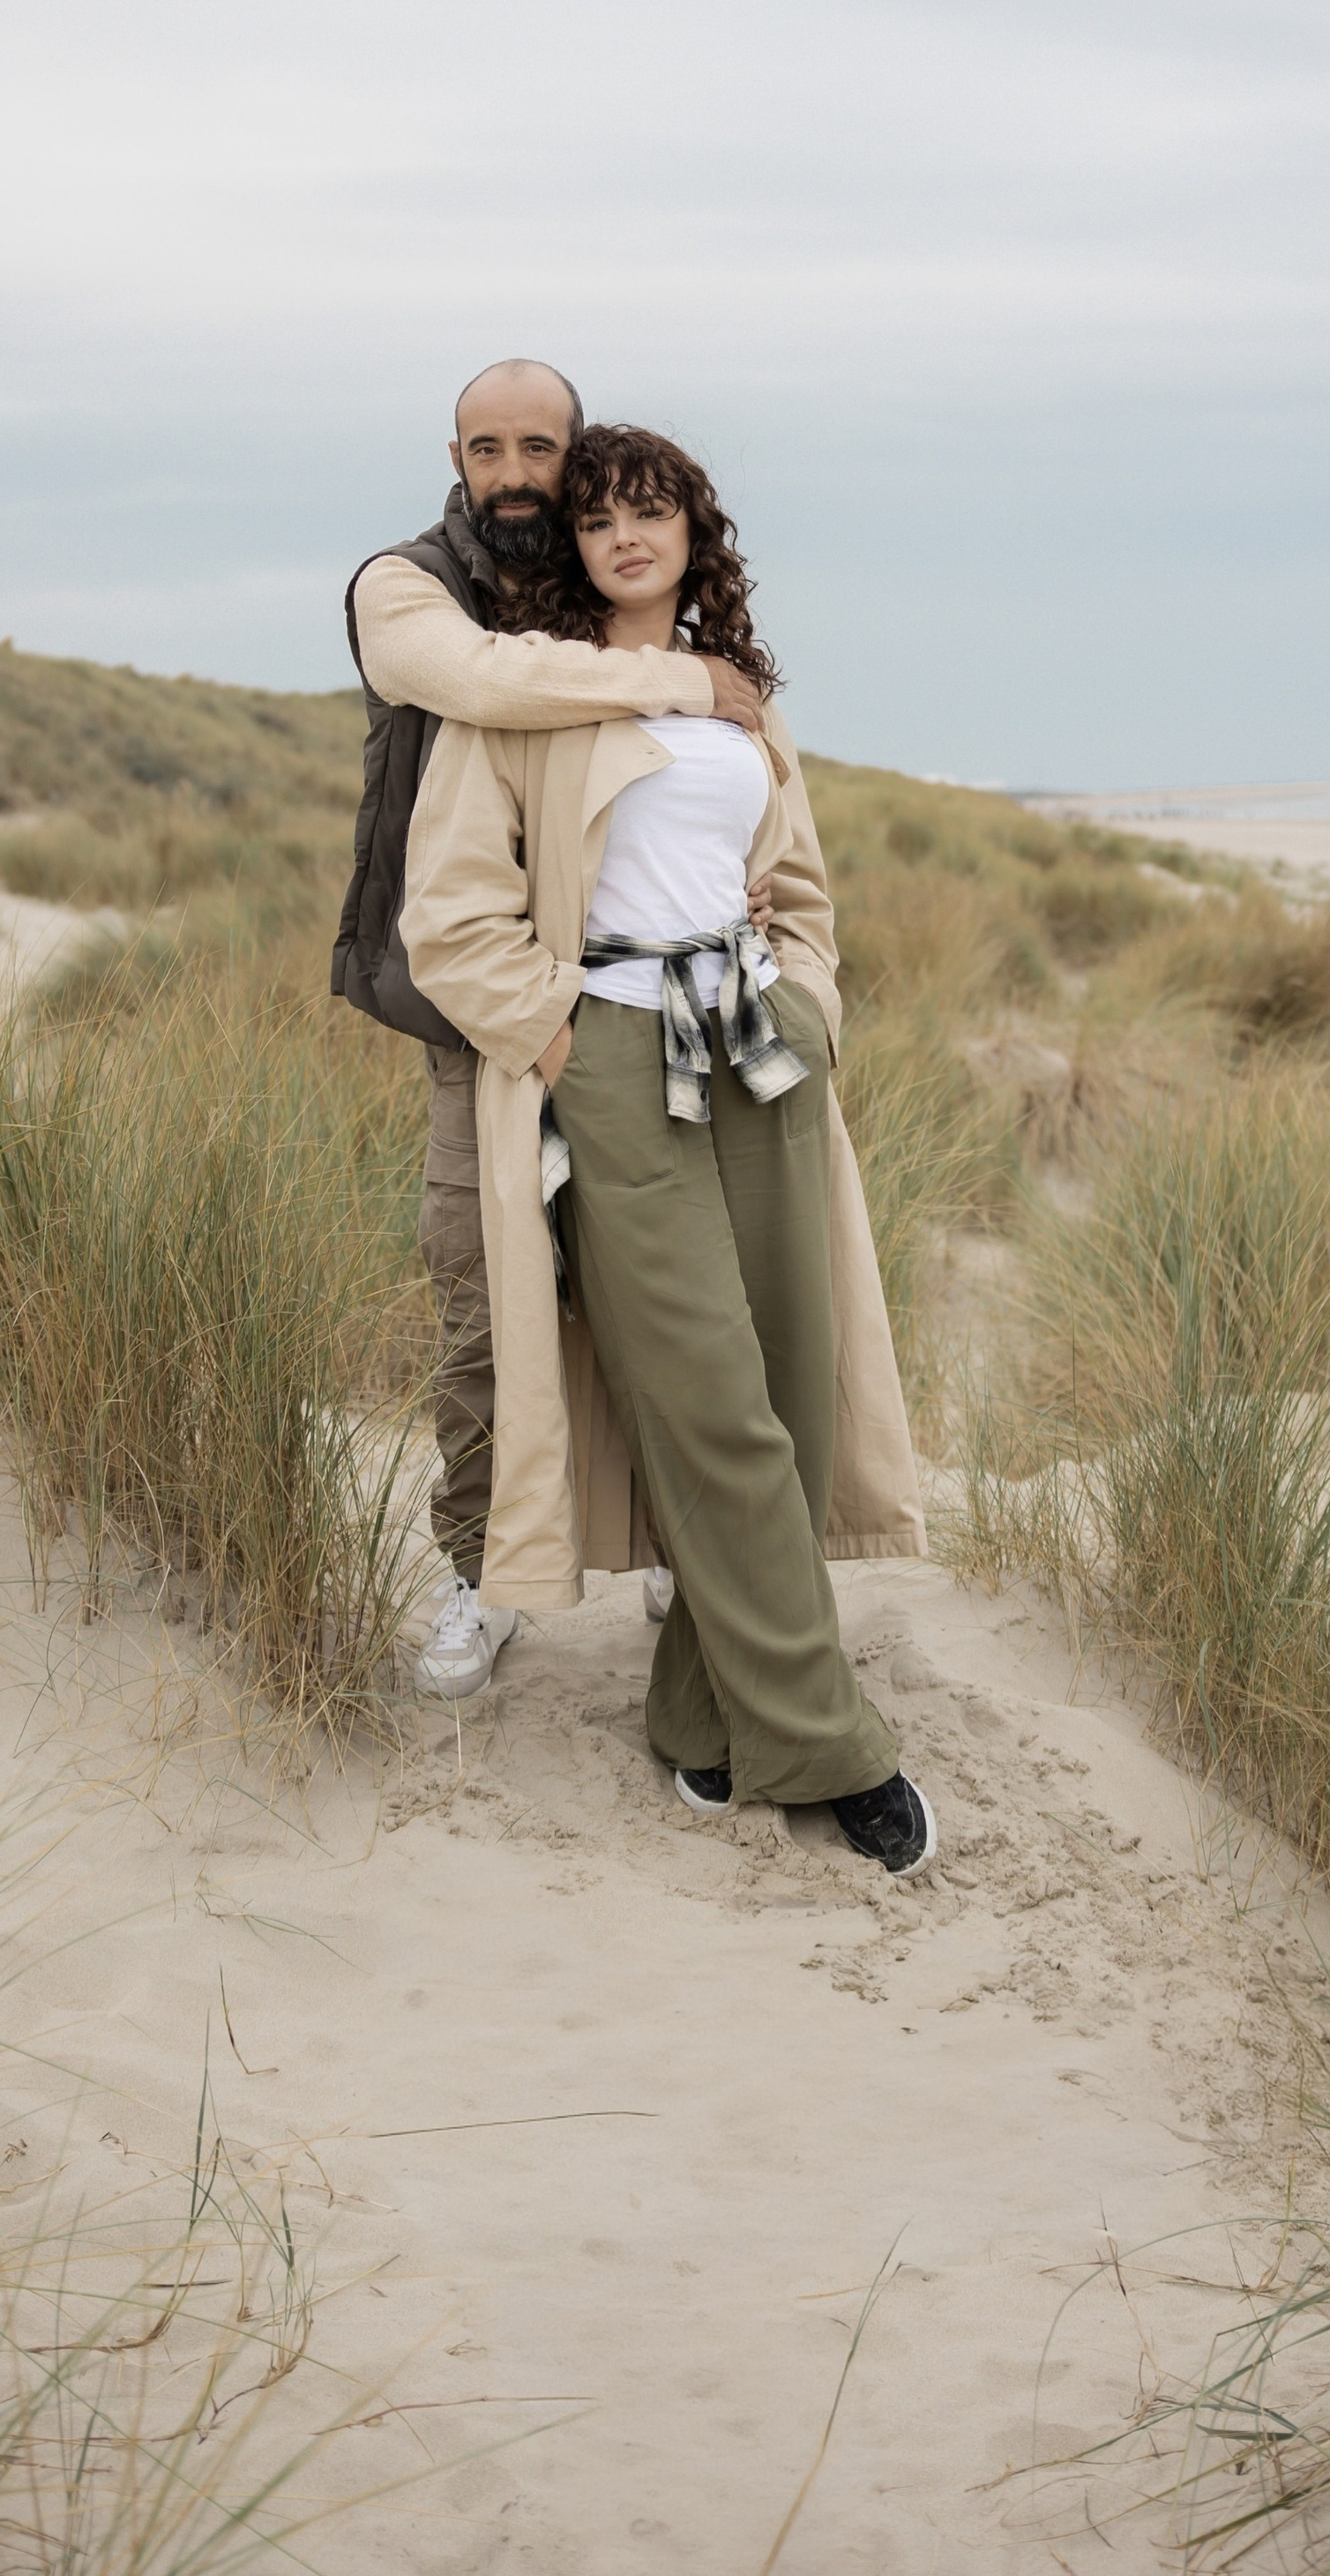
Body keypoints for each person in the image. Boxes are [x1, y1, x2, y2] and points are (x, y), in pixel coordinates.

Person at [399, 424, 937, 1876]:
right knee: (710, 1403)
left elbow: (805, 892)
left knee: (790, 1389)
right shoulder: (522, 700)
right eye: (598, 518)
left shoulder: (745, 708)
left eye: (655, 511)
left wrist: (811, 1010)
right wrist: (564, 1041)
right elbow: (446, 919)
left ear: (696, 532)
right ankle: (833, 1746)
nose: (627, 536)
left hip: (756, 1048)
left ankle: (702, 1709)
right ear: (570, 547)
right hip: (619, 1056)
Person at [335, 360, 772, 1699]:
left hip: (648, 1001)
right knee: (483, 1294)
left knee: (662, 1290)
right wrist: (691, 686)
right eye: (487, 448)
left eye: (541, 449)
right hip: (482, 1016)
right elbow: (478, 683)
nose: (514, 473)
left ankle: (661, 1545)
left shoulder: (597, 586)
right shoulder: (404, 586)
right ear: (454, 456)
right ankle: (480, 1574)